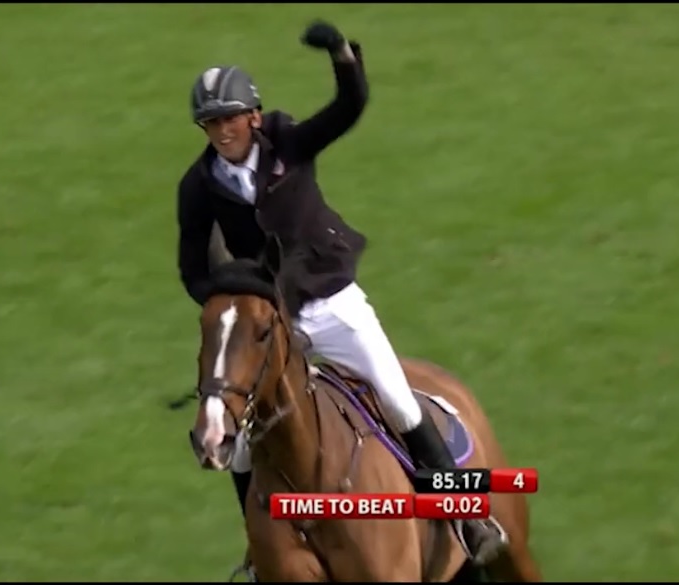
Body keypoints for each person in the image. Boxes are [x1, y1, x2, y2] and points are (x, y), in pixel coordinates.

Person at [175, 19, 508, 567]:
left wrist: (341, 56)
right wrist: (238, 298)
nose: (221, 130)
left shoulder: (286, 141)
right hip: (268, 321)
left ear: (253, 117)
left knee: (398, 398)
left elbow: (347, 109)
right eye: (210, 123)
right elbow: (193, 269)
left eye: (229, 118)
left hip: (330, 300)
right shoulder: (197, 186)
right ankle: (261, 549)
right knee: (236, 446)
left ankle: (466, 515)